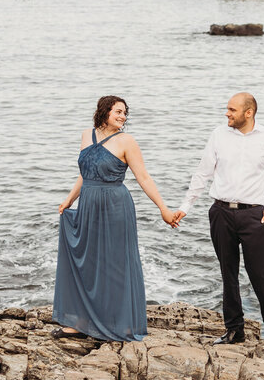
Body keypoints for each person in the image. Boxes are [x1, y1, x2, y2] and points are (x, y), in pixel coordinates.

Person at [53, 95, 178, 341]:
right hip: (88, 204)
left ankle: (120, 324)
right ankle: (79, 323)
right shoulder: (86, 135)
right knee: (87, 262)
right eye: (118, 111)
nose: (122, 117)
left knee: (115, 264)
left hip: (115, 206)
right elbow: (84, 173)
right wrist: (69, 199)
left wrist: (163, 208)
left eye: (125, 113)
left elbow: (144, 177)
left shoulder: (126, 141)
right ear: (104, 111)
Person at [170, 92, 264, 346]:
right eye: (227, 109)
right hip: (221, 212)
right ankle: (235, 330)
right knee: (228, 273)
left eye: (232, 110)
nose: (227, 113)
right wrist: (185, 206)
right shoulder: (218, 135)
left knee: (263, 274)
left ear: (249, 112)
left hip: (255, 215)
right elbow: (202, 174)